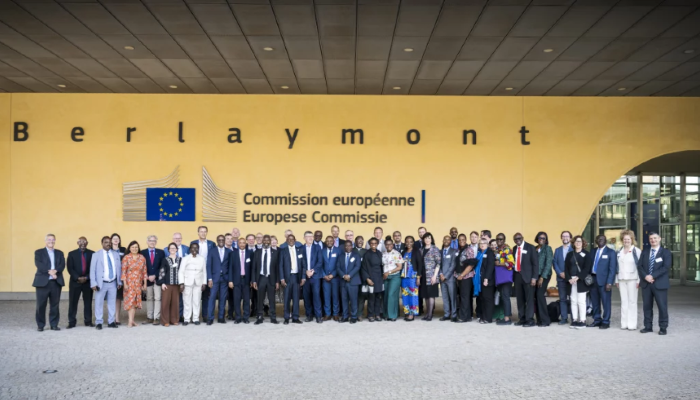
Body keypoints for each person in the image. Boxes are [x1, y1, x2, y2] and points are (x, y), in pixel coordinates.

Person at [638, 231, 671, 335]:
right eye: (651, 239)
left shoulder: (665, 252)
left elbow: (665, 267)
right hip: (646, 284)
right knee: (647, 306)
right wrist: (646, 276)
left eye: (655, 238)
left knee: (662, 306)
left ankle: (663, 327)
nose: (653, 240)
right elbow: (640, 266)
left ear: (659, 239)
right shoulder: (645, 252)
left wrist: (652, 276)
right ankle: (648, 326)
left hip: (660, 284)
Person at [34, 234, 66, 331]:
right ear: (45, 241)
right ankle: (40, 325)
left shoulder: (60, 253)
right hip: (42, 282)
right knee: (41, 304)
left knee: (55, 305)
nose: (51, 241)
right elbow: (39, 264)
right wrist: (51, 272)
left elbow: (62, 264)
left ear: (55, 240)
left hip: (56, 282)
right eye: (49, 239)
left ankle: (54, 324)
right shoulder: (39, 252)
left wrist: (55, 271)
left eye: (52, 239)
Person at [90, 236, 122, 330]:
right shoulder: (96, 255)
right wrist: (93, 283)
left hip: (113, 283)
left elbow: (118, 269)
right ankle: (99, 322)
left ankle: (111, 321)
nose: (108, 244)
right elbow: (92, 270)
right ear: (102, 243)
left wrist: (119, 281)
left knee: (112, 303)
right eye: (105, 242)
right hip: (101, 283)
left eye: (109, 242)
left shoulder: (115, 254)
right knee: (99, 303)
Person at [588, 234, 618, 329]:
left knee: (606, 302)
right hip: (593, 279)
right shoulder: (592, 251)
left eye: (602, 239)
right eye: (598, 239)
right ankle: (597, 320)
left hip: (605, 281)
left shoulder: (611, 252)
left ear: (605, 241)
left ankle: (605, 321)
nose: (600, 240)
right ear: (596, 241)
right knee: (595, 302)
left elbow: (612, 269)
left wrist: (609, 282)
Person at [565, 235, 593, 329]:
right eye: (576, 241)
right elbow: (566, 268)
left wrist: (577, 278)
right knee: (573, 300)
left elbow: (586, 269)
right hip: (571, 280)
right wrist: (569, 278)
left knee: (581, 301)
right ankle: (574, 320)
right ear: (573, 243)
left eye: (580, 241)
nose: (578, 243)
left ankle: (583, 320)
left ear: (583, 243)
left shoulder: (587, 254)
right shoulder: (569, 254)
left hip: (581, 280)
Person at [512, 232, 539, 327]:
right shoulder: (514, 248)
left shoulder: (530, 247)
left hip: (529, 277)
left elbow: (535, 264)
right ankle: (522, 318)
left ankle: (530, 320)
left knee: (529, 299)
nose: (517, 240)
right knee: (520, 299)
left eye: (519, 238)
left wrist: (534, 277)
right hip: (517, 276)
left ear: (522, 238)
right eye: (515, 239)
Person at [616, 230, 641, 331]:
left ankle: (632, 324)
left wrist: (639, 280)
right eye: (625, 239)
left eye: (628, 239)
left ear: (632, 240)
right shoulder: (619, 251)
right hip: (621, 279)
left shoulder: (637, 251)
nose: (626, 241)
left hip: (633, 279)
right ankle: (624, 323)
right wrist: (616, 280)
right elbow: (616, 267)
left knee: (632, 302)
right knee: (624, 302)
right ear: (622, 240)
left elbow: (640, 267)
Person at [66, 236, 94, 328]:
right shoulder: (71, 254)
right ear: (77, 243)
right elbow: (70, 268)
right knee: (73, 302)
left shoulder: (92, 254)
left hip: (87, 282)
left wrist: (86, 277)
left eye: (84, 241)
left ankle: (88, 321)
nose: (82, 243)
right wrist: (77, 278)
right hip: (75, 282)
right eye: (80, 241)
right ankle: (72, 322)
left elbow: (93, 268)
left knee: (88, 302)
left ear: (87, 243)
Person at [253, 235, 279, 324]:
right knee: (260, 299)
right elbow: (254, 268)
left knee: (272, 299)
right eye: (265, 240)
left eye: (268, 240)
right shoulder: (257, 252)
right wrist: (254, 281)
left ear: (270, 242)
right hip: (261, 278)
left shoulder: (275, 252)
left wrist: (277, 281)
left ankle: (273, 317)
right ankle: (259, 317)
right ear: (262, 241)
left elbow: (277, 268)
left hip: (271, 278)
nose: (266, 242)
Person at [279, 234, 305, 324]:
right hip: (287, 278)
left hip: (297, 277)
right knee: (286, 298)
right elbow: (280, 266)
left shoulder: (300, 250)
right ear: (286, 240)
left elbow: (303, 265)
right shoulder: (283, 251)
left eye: (292, 239)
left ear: (295, 240)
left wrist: (303, 277)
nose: (290, 240)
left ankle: (295, 317)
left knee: (296, 298)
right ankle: (286, 317)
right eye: (289, 239)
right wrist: (282, 278)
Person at [206, 235, 232, 325]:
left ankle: (221, 317)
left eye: (222, 240)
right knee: (212, 298)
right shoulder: (212, 251)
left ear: (224, 241)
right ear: (217, 241)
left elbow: (230, 266)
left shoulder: (229, 251)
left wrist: (229, 279)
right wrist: (209, 278)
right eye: (219, 240)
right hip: (214, 278)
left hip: (224, 278)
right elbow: (208, 265)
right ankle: (210, 318)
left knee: (223, 298)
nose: (221, 241)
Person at [191, 226, 215, 323]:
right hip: (195, 272)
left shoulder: (211, 244)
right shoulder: (193, 243)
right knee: (194, 295)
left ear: (207, 233)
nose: (203, 233)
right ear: (198, 233)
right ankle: (194, 316)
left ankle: (205, 315)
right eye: (201, 231)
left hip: (207, 271)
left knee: (206, 295)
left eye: (205, 232)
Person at [178, 243, 207, 325]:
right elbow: (181, 271)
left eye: (196, 248)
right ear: (190, 249)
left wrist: (204, 283)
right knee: (187, 301)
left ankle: (195, 318)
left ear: (198, 249)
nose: (194, 250)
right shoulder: (185, 258)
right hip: (187, 282)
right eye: (193, 248)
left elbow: (204, 272)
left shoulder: (202, 259)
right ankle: (186, 319)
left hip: (198, 282)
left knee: (197, 301)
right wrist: (181, 283)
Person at [121, 241, 147, 328]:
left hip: (138, 283)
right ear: (129, 248)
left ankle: (132, 320)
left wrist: (145, 284)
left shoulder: (142, 258)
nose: (134, 249)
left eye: (136, 247)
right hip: (129, 283)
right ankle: (130, 321)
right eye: (132, 247)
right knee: (130, 302)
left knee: (135, 302)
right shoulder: (126, 258)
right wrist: (125, 284)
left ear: (138, 248)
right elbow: (123, 272)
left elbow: (144, 272)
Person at [228, 237, 253, 324]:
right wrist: (230, 280)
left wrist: (252, 280)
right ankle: (238, 317)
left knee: (246, 300)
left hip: (246, 280)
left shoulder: (250, 253)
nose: (242, 244)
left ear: (245, 244)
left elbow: (252, 269)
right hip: (236, 280)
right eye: (240, 243)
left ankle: (246, 317)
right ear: (238, 244)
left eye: (243, 243)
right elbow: (230, 268)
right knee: (236, 300)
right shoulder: (233, 254)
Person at [142, 235, 165, 325]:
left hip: (157, 279)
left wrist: (155, 275)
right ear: (147, 242)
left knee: (158, 298)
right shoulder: (142, 252)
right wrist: (147, 275)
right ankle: (150, 317)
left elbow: (162, 266)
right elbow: (141, 266)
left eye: (154, 241)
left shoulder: (161, 252)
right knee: (149, 298)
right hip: (147, 279)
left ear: (156, 242)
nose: (152, 242)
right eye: (150, 240)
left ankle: (156, 317)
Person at [166, 232, 189, 323]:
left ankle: (182, 315)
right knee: (174, 297)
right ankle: (174, 316)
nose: (177, 240)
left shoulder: (186, 248)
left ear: (181, 239)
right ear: (172, 239)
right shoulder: (166, 249)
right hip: (172, 277)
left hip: (185, 276)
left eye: (179, 238)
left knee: (183, 296)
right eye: (175, 238)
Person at [302, 231, 324, 323]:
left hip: (315, 276)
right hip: (305, 277)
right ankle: (309, 315)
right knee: (306, 297)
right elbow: (300, 262)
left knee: (316, 296)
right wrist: (305, 272)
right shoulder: (301, 248)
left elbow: (320, 261)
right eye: (309, 236)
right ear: (304, 238)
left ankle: (318, 316)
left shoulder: (317, 247)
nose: (311, 238)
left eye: (311, 236)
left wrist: (313, 270)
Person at [337, 240, 361, 323]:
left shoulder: (356, 255)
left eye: (349, 245)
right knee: (344, 300)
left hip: (353, 282)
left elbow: (357, 267)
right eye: (346, 246)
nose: (348, 247)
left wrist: (349, 275)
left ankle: (354, 316)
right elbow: (338, 268)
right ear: (344, 247)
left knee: (353, 300)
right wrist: (344, 276)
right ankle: (345, 316)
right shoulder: (340, 256)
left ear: (352, 246)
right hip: (343, 282)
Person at [361, 237, 384, 322]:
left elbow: (382, 266)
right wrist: (367, 278)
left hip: (379, 278)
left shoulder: (379, 253)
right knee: (371, 298)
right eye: (372, 243)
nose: (373, 245)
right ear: (369, 244)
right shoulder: (367, 254)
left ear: (377, 244)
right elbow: (363, 268)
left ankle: (377, 314)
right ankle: (370, 315)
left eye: (375, 243)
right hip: (371, 279)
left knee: (378, 297)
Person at [158, 242, 181, 327]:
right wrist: (162, 283)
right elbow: (162, 271)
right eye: (171, 248)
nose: (172, 250)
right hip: (167, 284)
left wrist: (182, 283)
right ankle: (165, 321)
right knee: (165, 303)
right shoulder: (165, 259)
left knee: (175, 303)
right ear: (168, 250)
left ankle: (174, 320)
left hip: (176, 285)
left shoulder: (180, 260)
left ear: (177, 250)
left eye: (174, 248)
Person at [420, 232, 441, 321]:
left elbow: (438, 263)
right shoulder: (421, 249)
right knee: (425, 294)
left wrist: (435, 276)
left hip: (432, 275)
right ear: (423, 240)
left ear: (431, 239)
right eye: (426, 238)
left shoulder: (435, 249)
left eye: (429, 238)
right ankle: (427, 313)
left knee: (431, 295)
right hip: (423, 275)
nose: (427, 240)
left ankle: (430, 314)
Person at [553, 231, 573, 325]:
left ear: (570, 238)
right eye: (563, 236)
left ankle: (574, 317)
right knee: (562, 299)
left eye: (567, 236)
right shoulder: (557, 250)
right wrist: (560, 272)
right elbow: (555, 263)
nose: (565, 238)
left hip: (572, 279)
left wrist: (568, 274)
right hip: (561, 278)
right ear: (561, 238)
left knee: (573, 298)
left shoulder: (574, 249)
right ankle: (564, 318)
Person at [494, 234, 515, 326]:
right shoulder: (497, 250)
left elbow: (511, 264)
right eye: (497, 239)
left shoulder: (507, 249)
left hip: (506, 278)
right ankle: (506, 317)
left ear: (504, 240)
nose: (499, 241)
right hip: (500, 278)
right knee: (503, 297)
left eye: (501, 239)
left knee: (506, 297)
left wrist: (499, 264)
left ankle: (507, 319)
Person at [534, 232, 554, 327]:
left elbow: (548, 263)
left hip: (544, 275)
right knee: (535, 296)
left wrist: (542, 277)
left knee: (539, 294)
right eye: (540, 237)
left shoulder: (548, 249)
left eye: (544, 238)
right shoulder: (534, 248)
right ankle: (539, 319)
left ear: (546, 240)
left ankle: (545, 320)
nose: (541, 239)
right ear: (537, 238)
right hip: (535, 275)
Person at [381, 238, 404, 322]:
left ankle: (393, 315)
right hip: (386, 277)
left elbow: (399, 267)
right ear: (385, 245)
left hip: (395, 277)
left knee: (391, 295)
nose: (388, 246)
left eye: (390, 244)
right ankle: (386, 314)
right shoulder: (383, 254)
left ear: (393, 245)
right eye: (387, 244)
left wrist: (389, 272)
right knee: (386, 295)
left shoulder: (396, 253)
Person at [400, 236, 421, 321]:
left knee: (413, 295)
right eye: (407, 242)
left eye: (411, 241)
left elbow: (420, 265)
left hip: (413, 276)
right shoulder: (403, 252)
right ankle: (407, 312)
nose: (409, 243)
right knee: (405, 295)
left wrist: (418, 277)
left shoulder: (416, 251)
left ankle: (412, 314)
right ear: (405, 242)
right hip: (404, 277)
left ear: (413, 242)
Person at [321, 235, 342, 321]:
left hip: (335, 278)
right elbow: (320, 264)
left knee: (335, 296)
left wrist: (333, 274)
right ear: (325, 242)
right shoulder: (322, 251)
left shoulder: (338, 250)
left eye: (331, 240)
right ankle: (327, 313)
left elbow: (340, 264)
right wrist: (324, 275)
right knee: (326, 296)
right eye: (327, 240)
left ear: (333, 241)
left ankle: (335, 313)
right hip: (325, 278)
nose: (329, 242)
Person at [439, 235, 458, 322]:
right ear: (443, 240)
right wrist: (441, 274)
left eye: (448, 239)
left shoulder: (454, 251)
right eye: (445, 239)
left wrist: (445, 276)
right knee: (445, 297)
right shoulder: (440, 251)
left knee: (452, 297)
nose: (446, 241)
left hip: (450, 279)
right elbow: (437, 264)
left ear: (451, 241)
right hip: (441, 278)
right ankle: (446, 314)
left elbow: (453, 265)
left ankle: (454, 315)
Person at [478, 238, 496, 324]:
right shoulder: (480, 253)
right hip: (480, 279)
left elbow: (490, 267)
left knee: (488, 299)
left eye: (484, 243)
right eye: (481, 243)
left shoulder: (489, 253)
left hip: (487, 280)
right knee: (483, 298)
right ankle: (483, 316)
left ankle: (488, 318)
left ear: (487, 244)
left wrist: (486, 278)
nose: (482, 244)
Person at [110, 233, 126, 326]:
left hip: (120, 277)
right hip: (110, 277)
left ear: (119, 240)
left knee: (118, 298)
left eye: (117, 238)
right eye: (114, 238)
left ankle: (117, 318)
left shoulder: (123, 250)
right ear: (111, 240)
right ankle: (110, 317)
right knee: (110, 297)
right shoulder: (108, 250)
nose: (116, 240)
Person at [489, 239, 505, 321]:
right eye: (491, 245)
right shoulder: (489, 253)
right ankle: (494, 314)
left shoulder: (501, 253)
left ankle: (501, 315)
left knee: (501, 296)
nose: (493, 246)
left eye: (494, 244)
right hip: (492, 278)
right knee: (493, 296)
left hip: (501, 277)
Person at [355, 236, 369, 321]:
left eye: (361, 240)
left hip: (363, 278)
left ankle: (359, 314)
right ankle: (353, 313)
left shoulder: (366, 252)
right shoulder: (352, 250)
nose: (360, 242)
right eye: (358, 240)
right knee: (353, 297)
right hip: (354, 277)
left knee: (361, 297)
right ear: (355, 241)